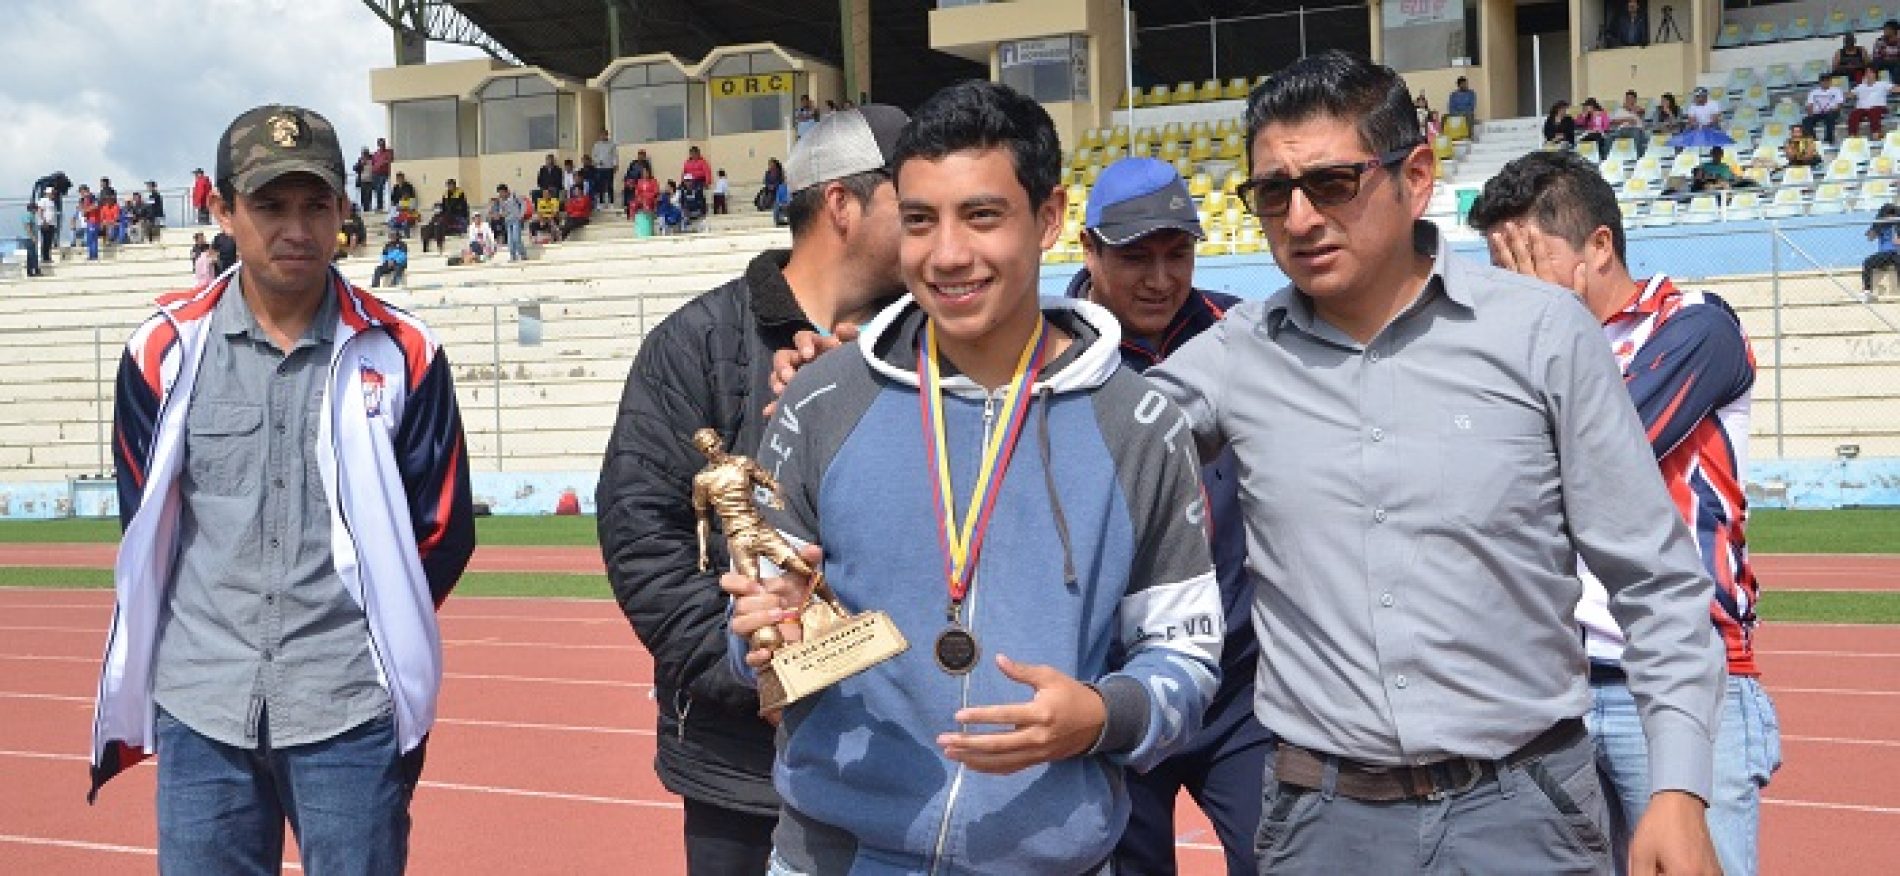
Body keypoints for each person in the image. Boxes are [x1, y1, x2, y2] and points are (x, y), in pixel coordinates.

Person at [1141, 51, 1725, 875]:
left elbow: (1656, 582)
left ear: (1416, 175)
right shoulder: (1233, 354)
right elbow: (1099, 447)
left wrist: (1678, 790)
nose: (1300, 218)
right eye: (1273, 193)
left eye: (1332, 184)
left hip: (1528, 814)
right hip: (1320, 825)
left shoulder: (1545, 334)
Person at [725, 80, 1221, 875]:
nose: (948, 253)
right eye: (920, 220)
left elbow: (1186, 658)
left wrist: (1100, 715)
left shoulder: (1139, 426)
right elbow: (750, 638)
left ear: (1051, 217)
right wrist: (766, 631)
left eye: (982, 216)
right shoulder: (822, 400)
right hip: (836, 857)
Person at [89, 102, 475, 873]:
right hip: (203, 709)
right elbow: (146, 523)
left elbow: (441, 530)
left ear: (342, 211)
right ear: (225, 210)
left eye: (316, 203)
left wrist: (366, 628)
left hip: (348, 711)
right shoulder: (164, 349)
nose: (295, 227)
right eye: (269, 204)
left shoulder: (405, 352)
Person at [597, 104, 912, 876]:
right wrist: (751, 662)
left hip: (903, 744)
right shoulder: (694, 346)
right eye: (914, 200)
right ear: (843, 203)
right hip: (740, 762)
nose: (938, 225)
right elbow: (643, 534)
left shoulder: (928, 346)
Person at [1469, 148, 1781, 876]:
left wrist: (1529, 332)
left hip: (1685, 679)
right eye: (1497, 262)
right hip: (1556, 692)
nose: (1509, 282)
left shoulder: (1698, 327)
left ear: (1599, 246)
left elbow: (1606, 449)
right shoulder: (1517, 350)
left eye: (1527, 256)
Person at [1068, 158, 1271, 876]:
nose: (1160, 278)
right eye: (1135, 257)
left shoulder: (1247, 335)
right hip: (1114, 687)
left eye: (1176, 254)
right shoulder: (1045, 356)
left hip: (1243, 687)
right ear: (1088, 249)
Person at [1863, 203, 1900, 295]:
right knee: (1867, 263)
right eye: (1888, 214)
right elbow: (1870, 238)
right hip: (1884, 254)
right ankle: (1867, 291)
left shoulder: (1897, 224)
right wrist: (1874, 228)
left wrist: (1895, 232)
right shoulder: (1881, 224)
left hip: (1896, 253)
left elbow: (1897, 242)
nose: (1890, 217)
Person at [1849, 67, 1894, 137]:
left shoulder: (1883, 84)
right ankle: (1852, 135)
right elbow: (1850, 94)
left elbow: (1895, 89)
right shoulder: (1860, 86)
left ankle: (1876, 134)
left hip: (1878, 108)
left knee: (1873, 111)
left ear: (1875, 74)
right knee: (1854, 114)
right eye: (1866, 72)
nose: (1868, 74)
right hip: (1862, 109)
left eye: (1870, 72)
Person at [1804, 75, 1846, 144]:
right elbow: (1809, 105)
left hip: (1832, 111)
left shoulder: (1837, 90)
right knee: (1806, 121)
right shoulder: (1813, 92)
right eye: (1823, 81)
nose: (1825, 83)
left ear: (1830, 82)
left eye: (1827, 81)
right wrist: (1810, 114)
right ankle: (1813, 141)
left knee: (1829, 118)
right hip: (1817, 113)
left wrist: (1833, 110)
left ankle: (1828, 141)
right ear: (1820, 82)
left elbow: (1840, 104)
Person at [1609, 90, 1649, 157]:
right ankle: (1609, 159)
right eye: (1627, 98)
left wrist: (1631, 108)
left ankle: (1637, 158)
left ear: (1635, 100)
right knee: (1609, 137)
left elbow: (1641, 113)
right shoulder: (1619, 110)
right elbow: (1612, 122)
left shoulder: (1638, 109)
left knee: (1635, 133)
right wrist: (1626, 119)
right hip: (1622, 130)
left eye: (1631, 98)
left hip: (1636, 129)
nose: (1629, 100)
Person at [497, 183, 527, 261]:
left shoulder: (514, 196)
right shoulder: (501, 200)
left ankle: (522, 254)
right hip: (508, 221)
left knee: (516, 238)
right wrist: (502, 214)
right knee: (510, 241)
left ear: (506, 191)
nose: (501, 195)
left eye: (502, 192)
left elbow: (524, 204)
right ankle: (513, 256)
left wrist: (521, 215)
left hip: (516, 220)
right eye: (499, 193)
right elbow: (501, 210)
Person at [592, 130, 618, 207]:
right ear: (600, 135)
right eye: (602, 135)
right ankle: (601, 202)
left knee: (610, 185)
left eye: (605, 135)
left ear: (607, 135)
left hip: (609, 167)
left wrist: (615, 165)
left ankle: (611, 202)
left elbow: (615, 156)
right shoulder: (596, 145)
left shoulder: (612, 144)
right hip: (600, 168)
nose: (604, 136)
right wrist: (597, 161)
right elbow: (594, 156)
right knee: (600, 185)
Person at [369, 137, 394, 211]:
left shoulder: (388, 152)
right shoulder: (376, 154)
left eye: (383, 143)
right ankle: (379, 205)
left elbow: (390, 160)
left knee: (380, 188)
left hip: (384, 173)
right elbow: (373, 163)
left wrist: (383, 163)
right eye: (380, 143)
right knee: (376, 190)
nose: (382, 145)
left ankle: (380, 206)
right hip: (375, 173)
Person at [36, 185, 59, 264]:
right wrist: (44, 221)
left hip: (52, 224)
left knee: (49, 241)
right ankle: (45, 257)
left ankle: (48, 256)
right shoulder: (43, 200)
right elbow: (40, 211)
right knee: (45, 241)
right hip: (45, 224)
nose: (53, 195)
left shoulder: (52, 202)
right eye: (52, 193)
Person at [20, 201, 42, 277]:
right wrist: (32, 237)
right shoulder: (28, 215)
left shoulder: (31, 215)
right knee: (31, 255)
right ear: (32, 209)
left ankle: (34, 270)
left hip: (30, 237)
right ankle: (32, 271)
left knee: (33, 254)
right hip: (28, 238)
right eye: (35, 208)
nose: (36, 210)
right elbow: (28, 227)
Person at [1876, 20, 1900, 85]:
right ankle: (1885, 86)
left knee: (1897, 65)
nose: (1884, 31)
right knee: (1877, 63)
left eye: (1886, 29)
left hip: (1897, 64)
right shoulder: (1880, 41)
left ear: (1893, 30)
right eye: (1884, 29)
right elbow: (1878, 57)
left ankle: (1896, 86)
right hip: (1884, 63)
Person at [353, 147, 375, 212]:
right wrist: (361, 164)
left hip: (370, 180)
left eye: (365, 154)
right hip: (362, 181)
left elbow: (375, 168)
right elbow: (355, 168)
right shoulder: (360, 160)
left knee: (368, 196)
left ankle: (367, 209)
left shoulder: (372, 160)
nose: (364, 155)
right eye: (363, 154)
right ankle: (365, 209)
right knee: (363, 196)